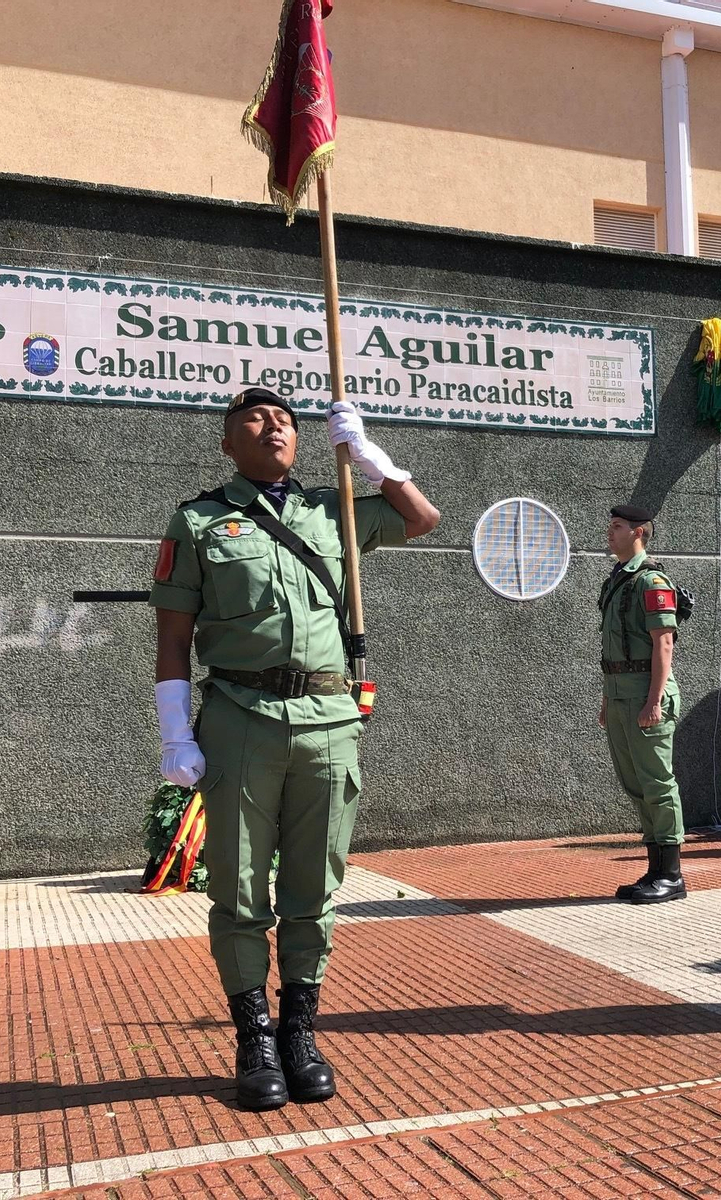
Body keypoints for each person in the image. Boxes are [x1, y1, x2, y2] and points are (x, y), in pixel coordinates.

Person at [150, 388, 439, 1111]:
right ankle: (253, 1039)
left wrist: (375, 459)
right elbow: (174, 639)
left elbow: (422, 519)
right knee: (241, 889)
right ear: (227, 443)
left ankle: (299, 1032)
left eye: (284, 418)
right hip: (241, 714)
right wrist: (174, 732)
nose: (273, 423)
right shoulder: (197, 521)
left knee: (314, 889)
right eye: (254, 417)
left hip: (329, 717)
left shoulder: (331, 506)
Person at [599, 503, 688, 905]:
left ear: (639, 533)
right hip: (619, 690)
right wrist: (607, 698)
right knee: (635, 783)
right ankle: (654, 868)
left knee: (656, 782)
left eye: (617, 526)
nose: (610, 532)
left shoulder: (651, 580)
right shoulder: (616, 580)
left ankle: (672, 874)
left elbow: (663, 644)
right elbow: (611, 647)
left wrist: (654, 700)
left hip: (646, 691)